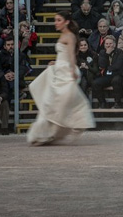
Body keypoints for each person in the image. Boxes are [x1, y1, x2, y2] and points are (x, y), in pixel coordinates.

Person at [27, 11, 96, 145]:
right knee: (51, 102)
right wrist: (56, 62)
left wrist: (71, 71)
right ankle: (47, 134)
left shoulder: (70, 36)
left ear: (66, 22)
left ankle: (52, 132)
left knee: (57, 103)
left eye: (59, 20)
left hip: (66, 71)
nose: (56, 23)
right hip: (59, 68)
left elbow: (71, 56)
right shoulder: (64, 35)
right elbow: (63, 54)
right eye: (55, 20)